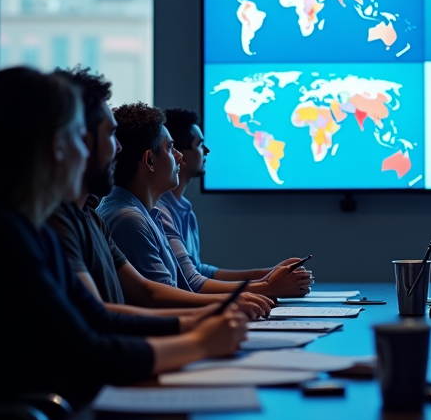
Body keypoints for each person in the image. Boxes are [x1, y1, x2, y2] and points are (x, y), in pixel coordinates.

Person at [0, 68, 247, 406]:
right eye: (78, 137)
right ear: (53, 146)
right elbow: (87, 354)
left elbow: (98, 317)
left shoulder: (27, 227)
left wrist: (200, 322)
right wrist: (199, 343)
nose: (88, 151)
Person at [49, 68, 272, 321]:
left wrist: (224, 308)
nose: (118, 148)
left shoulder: (93, 217)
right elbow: (106, 315)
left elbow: (148, 291)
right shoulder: (118, 218)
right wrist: (207, 324)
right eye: (170, 147)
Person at [97, 103, 308, 301]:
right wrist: (264, 288)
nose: (179, 156)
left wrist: (268, 280)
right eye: (171, 148)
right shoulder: (129, 218)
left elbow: (183, 279)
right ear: (150, 160)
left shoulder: (146, 213)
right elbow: (164, 297)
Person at [159, 107, 312, 299]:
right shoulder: (160, 210)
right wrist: (267, 286)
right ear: (178, 153)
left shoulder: (184, 207)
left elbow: (196, 270)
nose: (206, 150)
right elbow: (191, 281)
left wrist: (270, 274)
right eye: (199, 144)